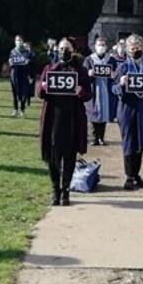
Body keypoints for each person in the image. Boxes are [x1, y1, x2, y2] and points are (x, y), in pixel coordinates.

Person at [37, 39, 92, 206]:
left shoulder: (81, 70)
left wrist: (80, 91)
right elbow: (39, 92)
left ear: (73, 50)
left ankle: (66, 191)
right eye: (61, 48)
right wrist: (42, 87)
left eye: (66, 48)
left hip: (72, 119)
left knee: (69, 156)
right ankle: (56, 191)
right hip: (53, 118)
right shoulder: (49, 68)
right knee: (53, 157)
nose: (63, 51)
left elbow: (88, 94)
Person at [112, 34, 143, 190]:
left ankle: (136, 174)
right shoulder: (123, 67)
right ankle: (129, 176)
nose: (135, 50)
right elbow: (114, 89)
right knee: (129, 142)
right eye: (132, 48)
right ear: (127, 50)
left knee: (140, 142)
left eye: (138, 47)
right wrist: (121, 83)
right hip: (127, 109)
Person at [85, 37, 118, 145]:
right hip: (94, 89)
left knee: (104, 113)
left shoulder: (111, 60)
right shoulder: (89, 59)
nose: (101, 47)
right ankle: (94, 137)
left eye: (103, 45)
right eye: (99, 45)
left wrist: (114, 76)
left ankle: (101, 137)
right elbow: (83, 75)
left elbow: (117, 75)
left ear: (106, 47)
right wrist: (88, 73)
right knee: (93, 113)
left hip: (106, 90)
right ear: (95, 46)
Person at [8, 35, 35, 117]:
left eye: (19, 40)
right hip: (14, 74)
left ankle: (22, 110)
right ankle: (15, 109)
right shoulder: (12, 51)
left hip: (24, 74)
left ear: (23, 41)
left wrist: (28, 62)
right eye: (16, 40)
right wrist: (10, 62)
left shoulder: (27, 52)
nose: (18, 42)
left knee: (24, 92)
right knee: (15, 92)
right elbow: (10, 62)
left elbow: (33, 63)